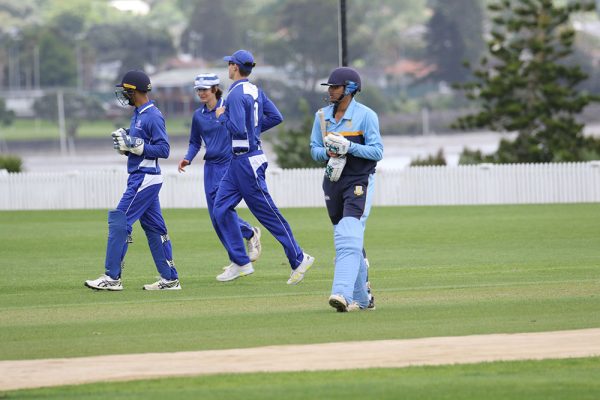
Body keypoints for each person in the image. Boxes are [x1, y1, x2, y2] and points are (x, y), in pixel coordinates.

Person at [213, 49, 314, 283]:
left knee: (268, 214)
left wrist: (220, 116)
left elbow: (237, 128)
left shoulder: (235, 94)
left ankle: (299, 258)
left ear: (235, 67)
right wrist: (254, 131)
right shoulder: (254, 90)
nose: (228, 67)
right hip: (239, 161)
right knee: (219, 210)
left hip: (247, 162)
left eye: (229, 64)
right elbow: (275, 117)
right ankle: (240, 261)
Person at [85, 70, 180, 291]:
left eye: (126, 91)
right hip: (141, 177)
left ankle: (112, 277)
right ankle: (170, 279)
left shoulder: (153, 115)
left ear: (135, 91)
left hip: (145, 178)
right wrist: (128, 149)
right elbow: (140, 146)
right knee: (155, 229)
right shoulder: (138, 114)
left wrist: (137, 146)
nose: (124, 96)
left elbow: (164, 149)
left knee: (119, 221)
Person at [309, 67, 383, 311]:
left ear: (350, 89)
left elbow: (377, 152)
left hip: (359, 180)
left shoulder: (366, 116)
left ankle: (341, 293)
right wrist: (329, 152)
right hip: (333, 181)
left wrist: (348, 147)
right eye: (330, 87)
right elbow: (314, 150)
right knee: (347, 237)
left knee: (349, 237)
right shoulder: (322, 116)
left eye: (335, 87)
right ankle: (363, 299)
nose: (330, 91)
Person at [178, 73, 262, 262]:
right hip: (210, 168)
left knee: (222, 211)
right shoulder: (198, 116)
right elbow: (194, 142)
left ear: (215, 89)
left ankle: (244, 246)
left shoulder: (229, 106)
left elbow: (245, 125)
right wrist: (187, 158)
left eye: (204, 90)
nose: (201, 93)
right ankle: (241, 249)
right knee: (216, 218)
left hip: (229, 165)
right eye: (198, 90)